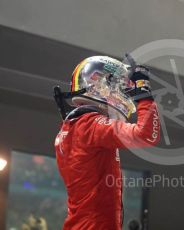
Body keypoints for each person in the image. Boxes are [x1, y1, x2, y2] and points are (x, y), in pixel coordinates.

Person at [54, 56, 160, 229]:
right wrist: (143, 92)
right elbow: (147, 134)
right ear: (98, 87)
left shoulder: (70, 128)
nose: (120, 92)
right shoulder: (90, 125)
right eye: (114, 87)